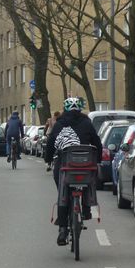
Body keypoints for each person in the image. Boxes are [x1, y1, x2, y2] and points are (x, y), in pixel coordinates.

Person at [44, 97, 103, 246]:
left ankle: (63, 229)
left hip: (65, 166)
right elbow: (97, 142)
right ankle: (86, 209)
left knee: (62, 192)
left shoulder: (60, 124)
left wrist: (48, 159)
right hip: (85, 166)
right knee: (89, 181)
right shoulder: (87, 123)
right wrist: (99, 159)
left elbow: (51, 143)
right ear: (80, 109)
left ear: (65, 109)